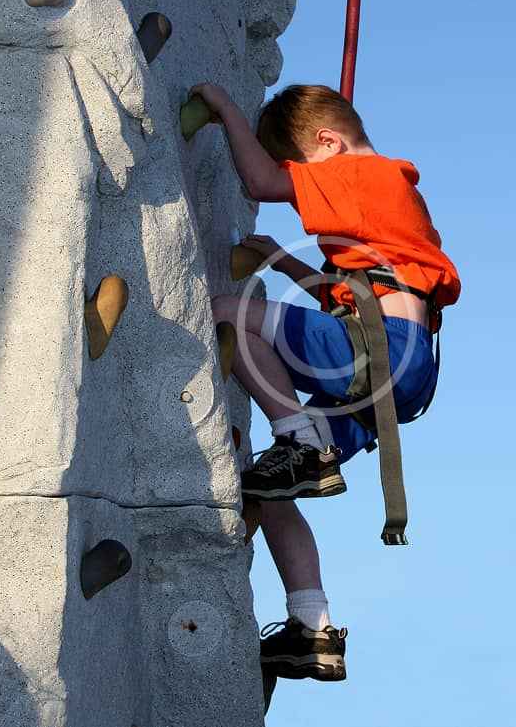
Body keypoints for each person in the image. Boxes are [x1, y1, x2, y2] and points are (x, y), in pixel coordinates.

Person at [191, 82, 461, 684]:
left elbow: (261, 182)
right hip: (397, 368)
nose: (304, 184)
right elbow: (346, 297)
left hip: (380, 347)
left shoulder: (364, 173)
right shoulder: (385, 204)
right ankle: (311, 627)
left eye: (304, 167)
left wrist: (224, 108)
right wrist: (283, 260)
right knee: (269, 487)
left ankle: (300, 438)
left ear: (328, 142)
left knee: (226, 312)